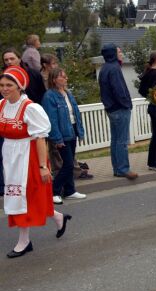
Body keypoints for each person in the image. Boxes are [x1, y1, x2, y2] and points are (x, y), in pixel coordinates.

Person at [0, 66, 71, 258]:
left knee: (27, 197)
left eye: (9, 85)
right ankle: (58, 217)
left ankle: (24, 241)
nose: (4, 88)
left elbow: (40, 138)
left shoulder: (30, 107)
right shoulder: (2, 105)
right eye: (2, 85)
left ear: (19, 86)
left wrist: (42, 166)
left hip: (28, 157)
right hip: (10, 156)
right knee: (19, 196)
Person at [42, 67, 87, 204]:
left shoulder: (68, 93)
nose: (66, 78)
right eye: (62, 76)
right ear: (54, 79)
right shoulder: (49, 96)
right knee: (68, 164)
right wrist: (57, 138)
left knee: (70, 161)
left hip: (72, 130)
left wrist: (80, 131)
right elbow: (52, 119)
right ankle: (53, 191)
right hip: (62, 133)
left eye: (66, 76)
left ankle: (70, 190)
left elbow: (75, 113)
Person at [98, 44, 138, 179]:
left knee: (115, 140)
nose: (121, 54)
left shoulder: (104, 68)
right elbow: (119, 90)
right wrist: (127, 104)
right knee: (122, 140)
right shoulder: (114, 68)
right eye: (119, 51)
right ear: (113, 54)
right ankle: (123, 168)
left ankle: (117, 168)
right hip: (119, 108)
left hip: (111, 108)